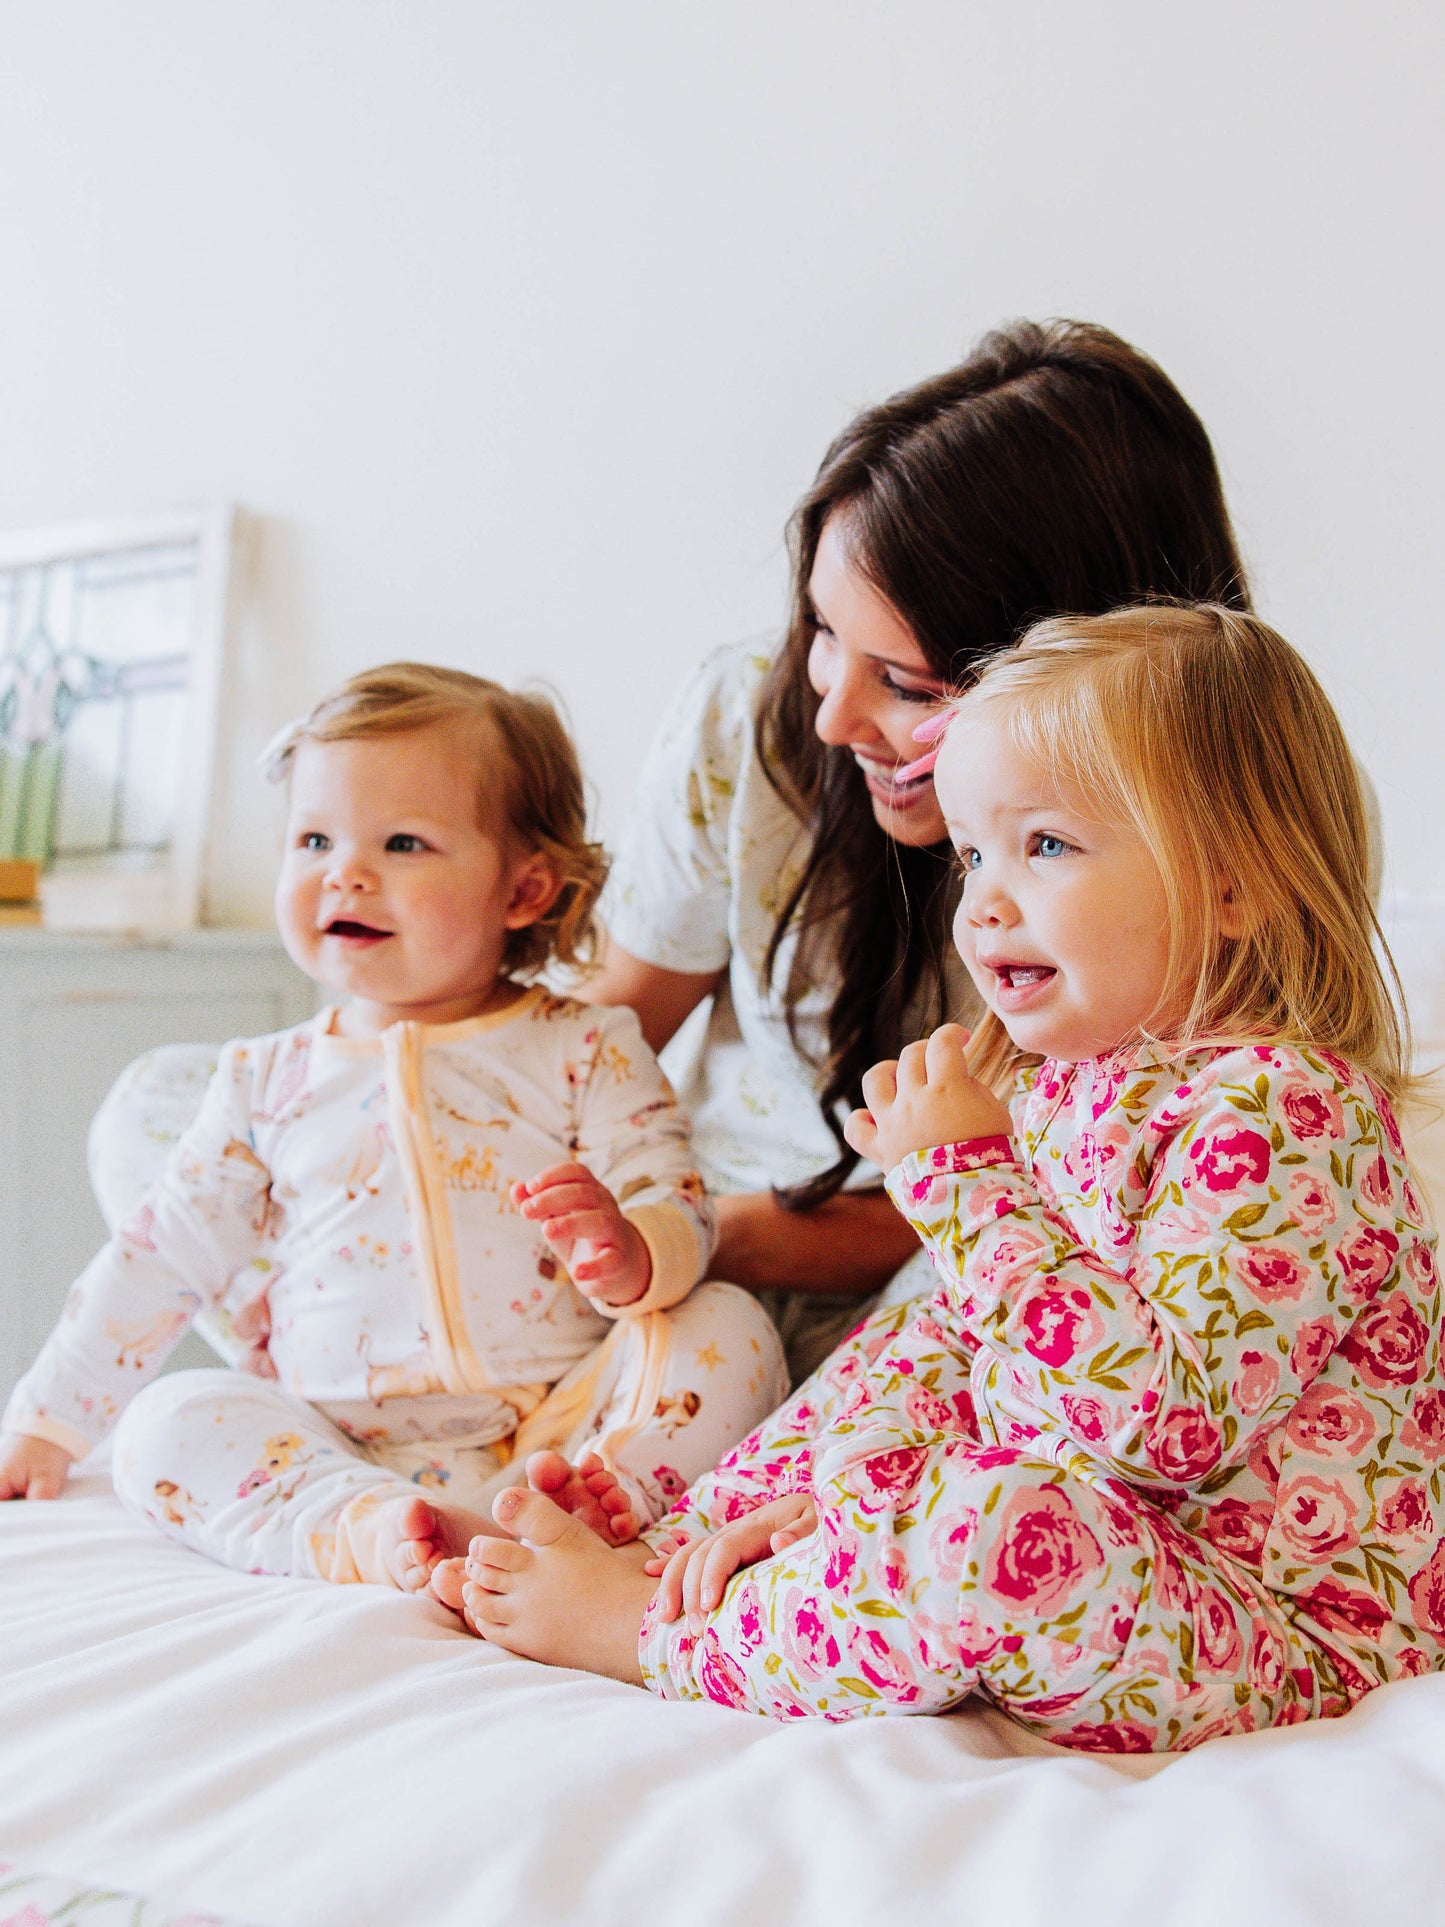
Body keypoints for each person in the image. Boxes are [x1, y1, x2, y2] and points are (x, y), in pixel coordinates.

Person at [432, 605, 1445, 1753]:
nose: (984, 904)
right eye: (971, 854)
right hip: (1131, 1549)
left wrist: (968, 1182)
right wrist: (826, 1493)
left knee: (991, 1534)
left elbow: (1162, 1428)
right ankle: (674, 1550)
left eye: (1045, 846)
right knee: (899, 1354)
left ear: (1231, 885)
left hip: (1276, 1624)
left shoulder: (1284, 1111)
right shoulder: (1074, 1087)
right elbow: (987, 1367)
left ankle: (654, 1636)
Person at [0, 665, 787, 1590]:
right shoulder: (261, 1082)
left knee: (726, 1325)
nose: (346, 871)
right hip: (342, 1436)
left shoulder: (586, 1045)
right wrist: (47, 1422)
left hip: (566, 1418)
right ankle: (371, 1533)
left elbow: (674, 1196)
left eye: (403, 842)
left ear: (524, 891)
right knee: (164, 1426)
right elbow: (160, 1253)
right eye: (314, 837)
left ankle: (597, 1504)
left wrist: (631, 1249)